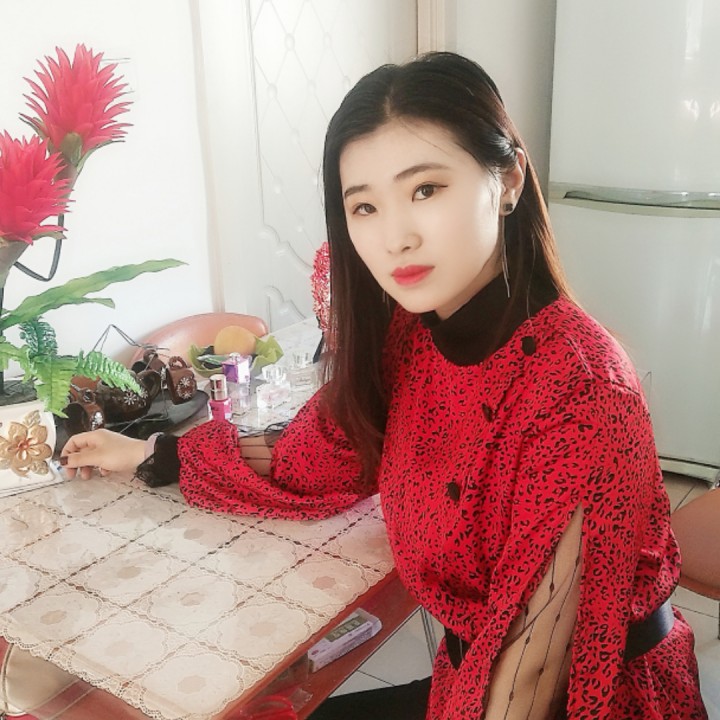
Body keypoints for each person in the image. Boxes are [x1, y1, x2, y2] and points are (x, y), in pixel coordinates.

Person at [61, 52, 707, 719]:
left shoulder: (581, 390)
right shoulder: (410, 336)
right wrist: (154, 453)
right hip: (469, 677)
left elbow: (534, 671)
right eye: (365, 206)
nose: (395, 237)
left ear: (508, 179)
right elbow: (315, 457)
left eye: (426, 190)